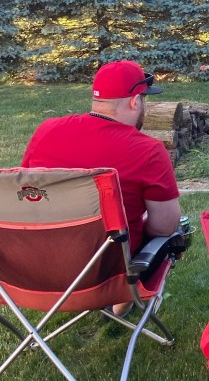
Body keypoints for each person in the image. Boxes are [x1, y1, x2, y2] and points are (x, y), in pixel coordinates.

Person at [22, 61, 182, 314]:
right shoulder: (148, 150)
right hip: (106, 277)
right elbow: (164, 226)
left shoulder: (46, 131)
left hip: (33, 273)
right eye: (144, 100)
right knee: (177, 231)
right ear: (134, 102)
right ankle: (120, 307)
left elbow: (26, 196)